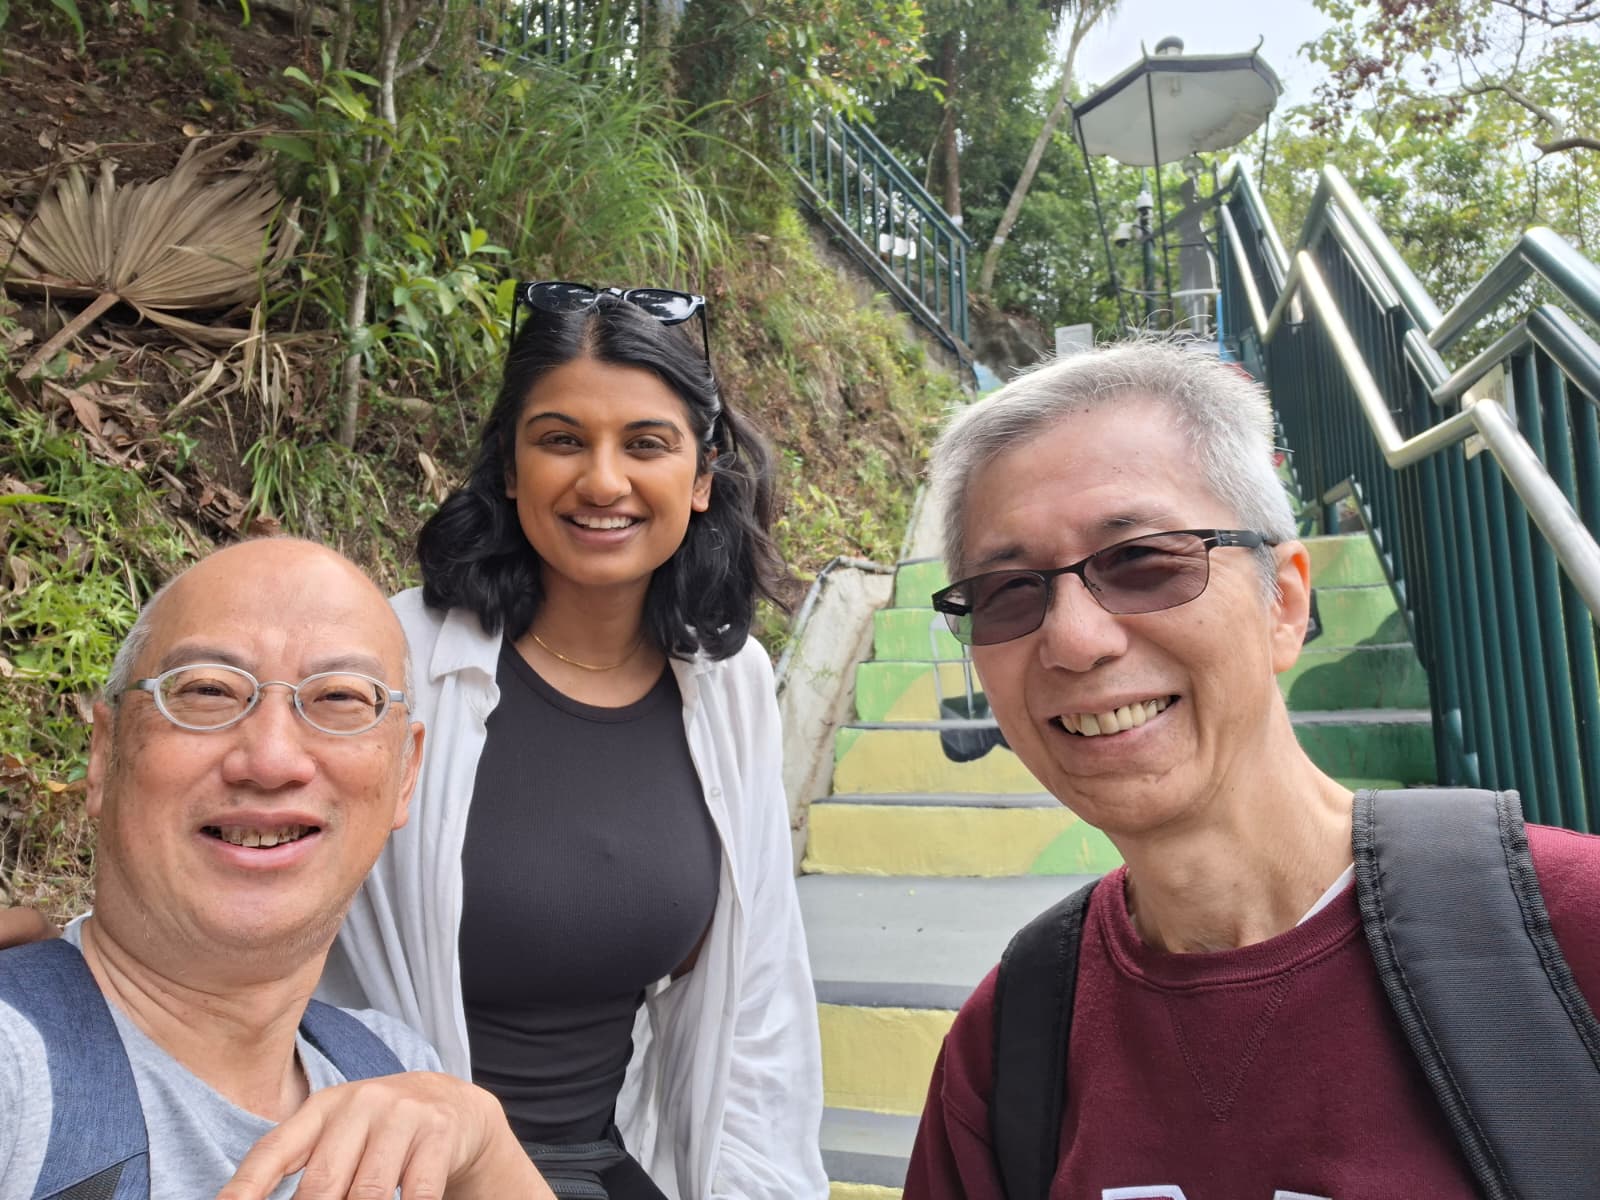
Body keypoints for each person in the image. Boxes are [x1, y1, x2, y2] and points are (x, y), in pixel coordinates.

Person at [901, 340, 1600, 1199]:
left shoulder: (1569, 934)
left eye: (1144, 560)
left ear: (1287, 603)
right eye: (1010, 590)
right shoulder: (1011, 1041)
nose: (1076, 641)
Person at [317, 282, 828, 1199]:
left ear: (702, 477)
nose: (602, 480)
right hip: (385, 1169)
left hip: (603, 1169)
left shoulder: (730, 684)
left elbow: (758, 1007)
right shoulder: (389, 662)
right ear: (510, 469)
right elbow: (248, 879)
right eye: (561, 440)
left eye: (646, 444)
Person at [0, 538, 553, 1200]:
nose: (269, 759)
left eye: (342, 699)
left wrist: (490, 1156)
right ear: (104, 753)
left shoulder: (395, 1072)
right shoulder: (16, 1074)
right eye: (205, 691)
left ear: (406, 775)